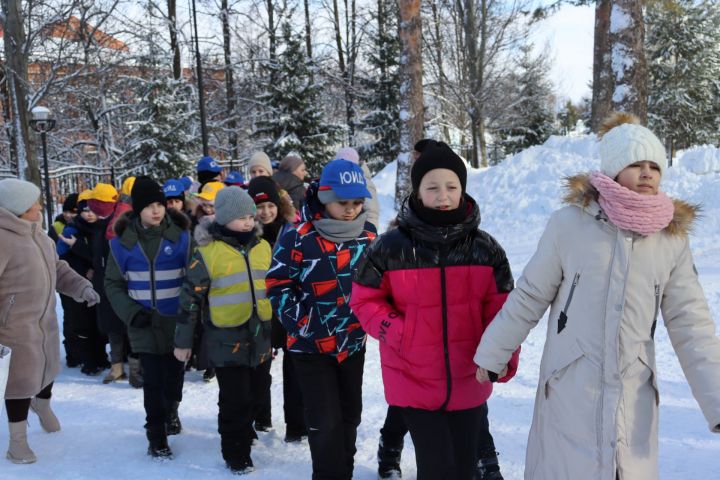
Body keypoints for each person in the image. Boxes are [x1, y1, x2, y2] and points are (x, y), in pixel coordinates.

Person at [474, 113, 720, 480]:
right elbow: (529, 295)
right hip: (571, 385)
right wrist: (494, 352)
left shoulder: (671, 240)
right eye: (635, 163)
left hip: (633, 390)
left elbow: (692, 322)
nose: (647, 172)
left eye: (654, 165)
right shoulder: (568, 225)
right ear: (613, 169)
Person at [351, 145, 518, 480]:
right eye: (432, 187)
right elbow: (364, 301)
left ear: (463, 190)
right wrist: (401, 331)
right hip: (412, 379)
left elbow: (504, 313)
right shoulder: (389, 247)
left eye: (452, 186)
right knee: (438, 468)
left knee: (464, 467)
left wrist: (502, 358)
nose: (443, 195)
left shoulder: (486, 249)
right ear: (417, 191)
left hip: (469, 378)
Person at [267, 159, 376, 479]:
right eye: (343, 202)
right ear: (325, 197)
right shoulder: (298, 235)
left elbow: (379, 285)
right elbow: (277, 283)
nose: (351, 210)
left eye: (357, 203)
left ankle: (345, 470)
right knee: (324, 421)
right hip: (309, 348)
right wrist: (303, 324)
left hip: (352, 344)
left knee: (349, 416)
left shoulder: (368, 237)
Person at [0, 179, 100, 464]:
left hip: (44, 320)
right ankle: (17, 442)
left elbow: (58, 268)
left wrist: (81, 287)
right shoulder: (2, 240)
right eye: (35, 204)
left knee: (48, 366)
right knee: (18, 383)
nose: (41, 208)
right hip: (13, 327)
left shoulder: (40, 235)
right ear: (18, 209)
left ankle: (42, 405)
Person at [175, 186, 273, 474]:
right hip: (225, 339)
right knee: (235, 398)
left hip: (260, 337)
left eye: (250, 215)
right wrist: (183, 341)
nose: (248, 221)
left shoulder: (263, 247)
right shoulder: (208, 252)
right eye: (240, 216)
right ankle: (235, 452)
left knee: (258, 391)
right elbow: (190, 298)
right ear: (224, 217)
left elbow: (276, 290)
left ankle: (246, 430)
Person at [105, 177, 192, 458]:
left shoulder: (182, 239)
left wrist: (190, 314)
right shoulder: (121, 245)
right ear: (137, 208)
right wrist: (131, 313)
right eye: (149, 206)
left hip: (176, 323)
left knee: (174, 376)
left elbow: (193, 281)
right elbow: (113, 284)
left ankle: (172, 410)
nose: (156, 211)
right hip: (143, 323)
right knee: (152, 380)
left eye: (160, 205)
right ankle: (156, 435)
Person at [247, 176, 306, 441]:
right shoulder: (247, 232)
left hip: (288, 307)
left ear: (279, 205)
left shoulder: (293, 230)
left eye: (270, 205)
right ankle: (262, 418)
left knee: (295, 369)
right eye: (260, 206)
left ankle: (296, 425)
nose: (266, 211)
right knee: (259, 369)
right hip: (260, 309)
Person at [57, 189, 109, 376]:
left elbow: (102, 256)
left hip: (98, 282)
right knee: (82, 323)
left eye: (92, 210)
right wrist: (82, 272)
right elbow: (61, 259)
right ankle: (88, 361)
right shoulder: (72, 230)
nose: (89, 214)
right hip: (78, 284)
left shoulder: (102, 228)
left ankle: (101, 356)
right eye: (85, 210)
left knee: (99, 323)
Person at [334, 147, 380, 231]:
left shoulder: (365, 182)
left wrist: (369, 234)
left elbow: (372, 212)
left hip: (360, 233)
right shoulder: (337, 180)